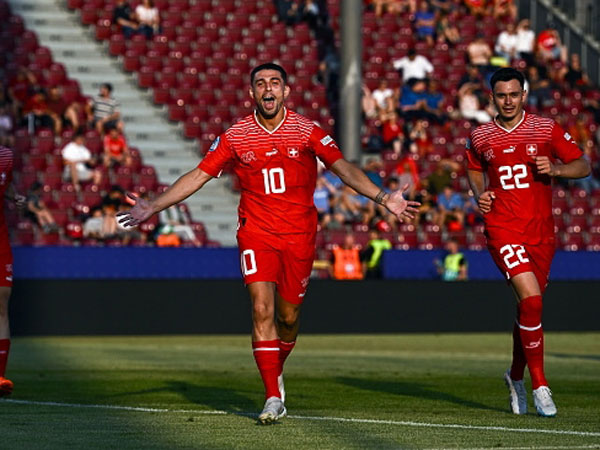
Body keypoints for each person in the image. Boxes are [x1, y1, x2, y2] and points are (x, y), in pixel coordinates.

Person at [117, 63, 420, 424]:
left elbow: (343, 169)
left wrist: (384, 197)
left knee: (288, 318)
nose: (268, 89)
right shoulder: (236, 135)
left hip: (299, 236)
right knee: (261, 310)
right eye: (261, 84)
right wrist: (153, 205)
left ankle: (274, 367)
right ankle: (273, 396)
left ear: (286, 91)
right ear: (252, 93)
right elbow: (199, 175)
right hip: (256, 233)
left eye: (275, 82)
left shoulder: (307, 131)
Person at [466, 67, 590, 417]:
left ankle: (515, 376)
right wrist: (480, 194)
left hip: (541, 233)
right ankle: (541, 385)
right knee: (532, 301)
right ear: (492, 97)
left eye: (513, 94)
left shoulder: (545, 128)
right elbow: (474, 168)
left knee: (528, 309)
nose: (508, 101)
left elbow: (582, 164)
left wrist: (557, 170)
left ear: (524, 94)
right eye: (501, 95)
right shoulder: (480, 135)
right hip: (503, 228)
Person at [0, 146, 26, 397]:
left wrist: (14, 197)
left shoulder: (5, 156)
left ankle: (0, 376)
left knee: (1, 301)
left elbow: (6, 186)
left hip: (0, 240)